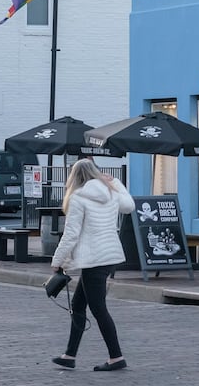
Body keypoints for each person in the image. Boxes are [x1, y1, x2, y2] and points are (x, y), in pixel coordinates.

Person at [50, 158, 136, 371]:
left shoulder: (78, 198)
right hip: (108, 256)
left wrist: (57, 260)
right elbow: (129, 206)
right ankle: (69, 355)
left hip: (93, 259)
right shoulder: (111, 192)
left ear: (74, 177)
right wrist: (115, 182)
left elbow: (71, 234)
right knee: (79, 305)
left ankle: (116, 357)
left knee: (98, 308)